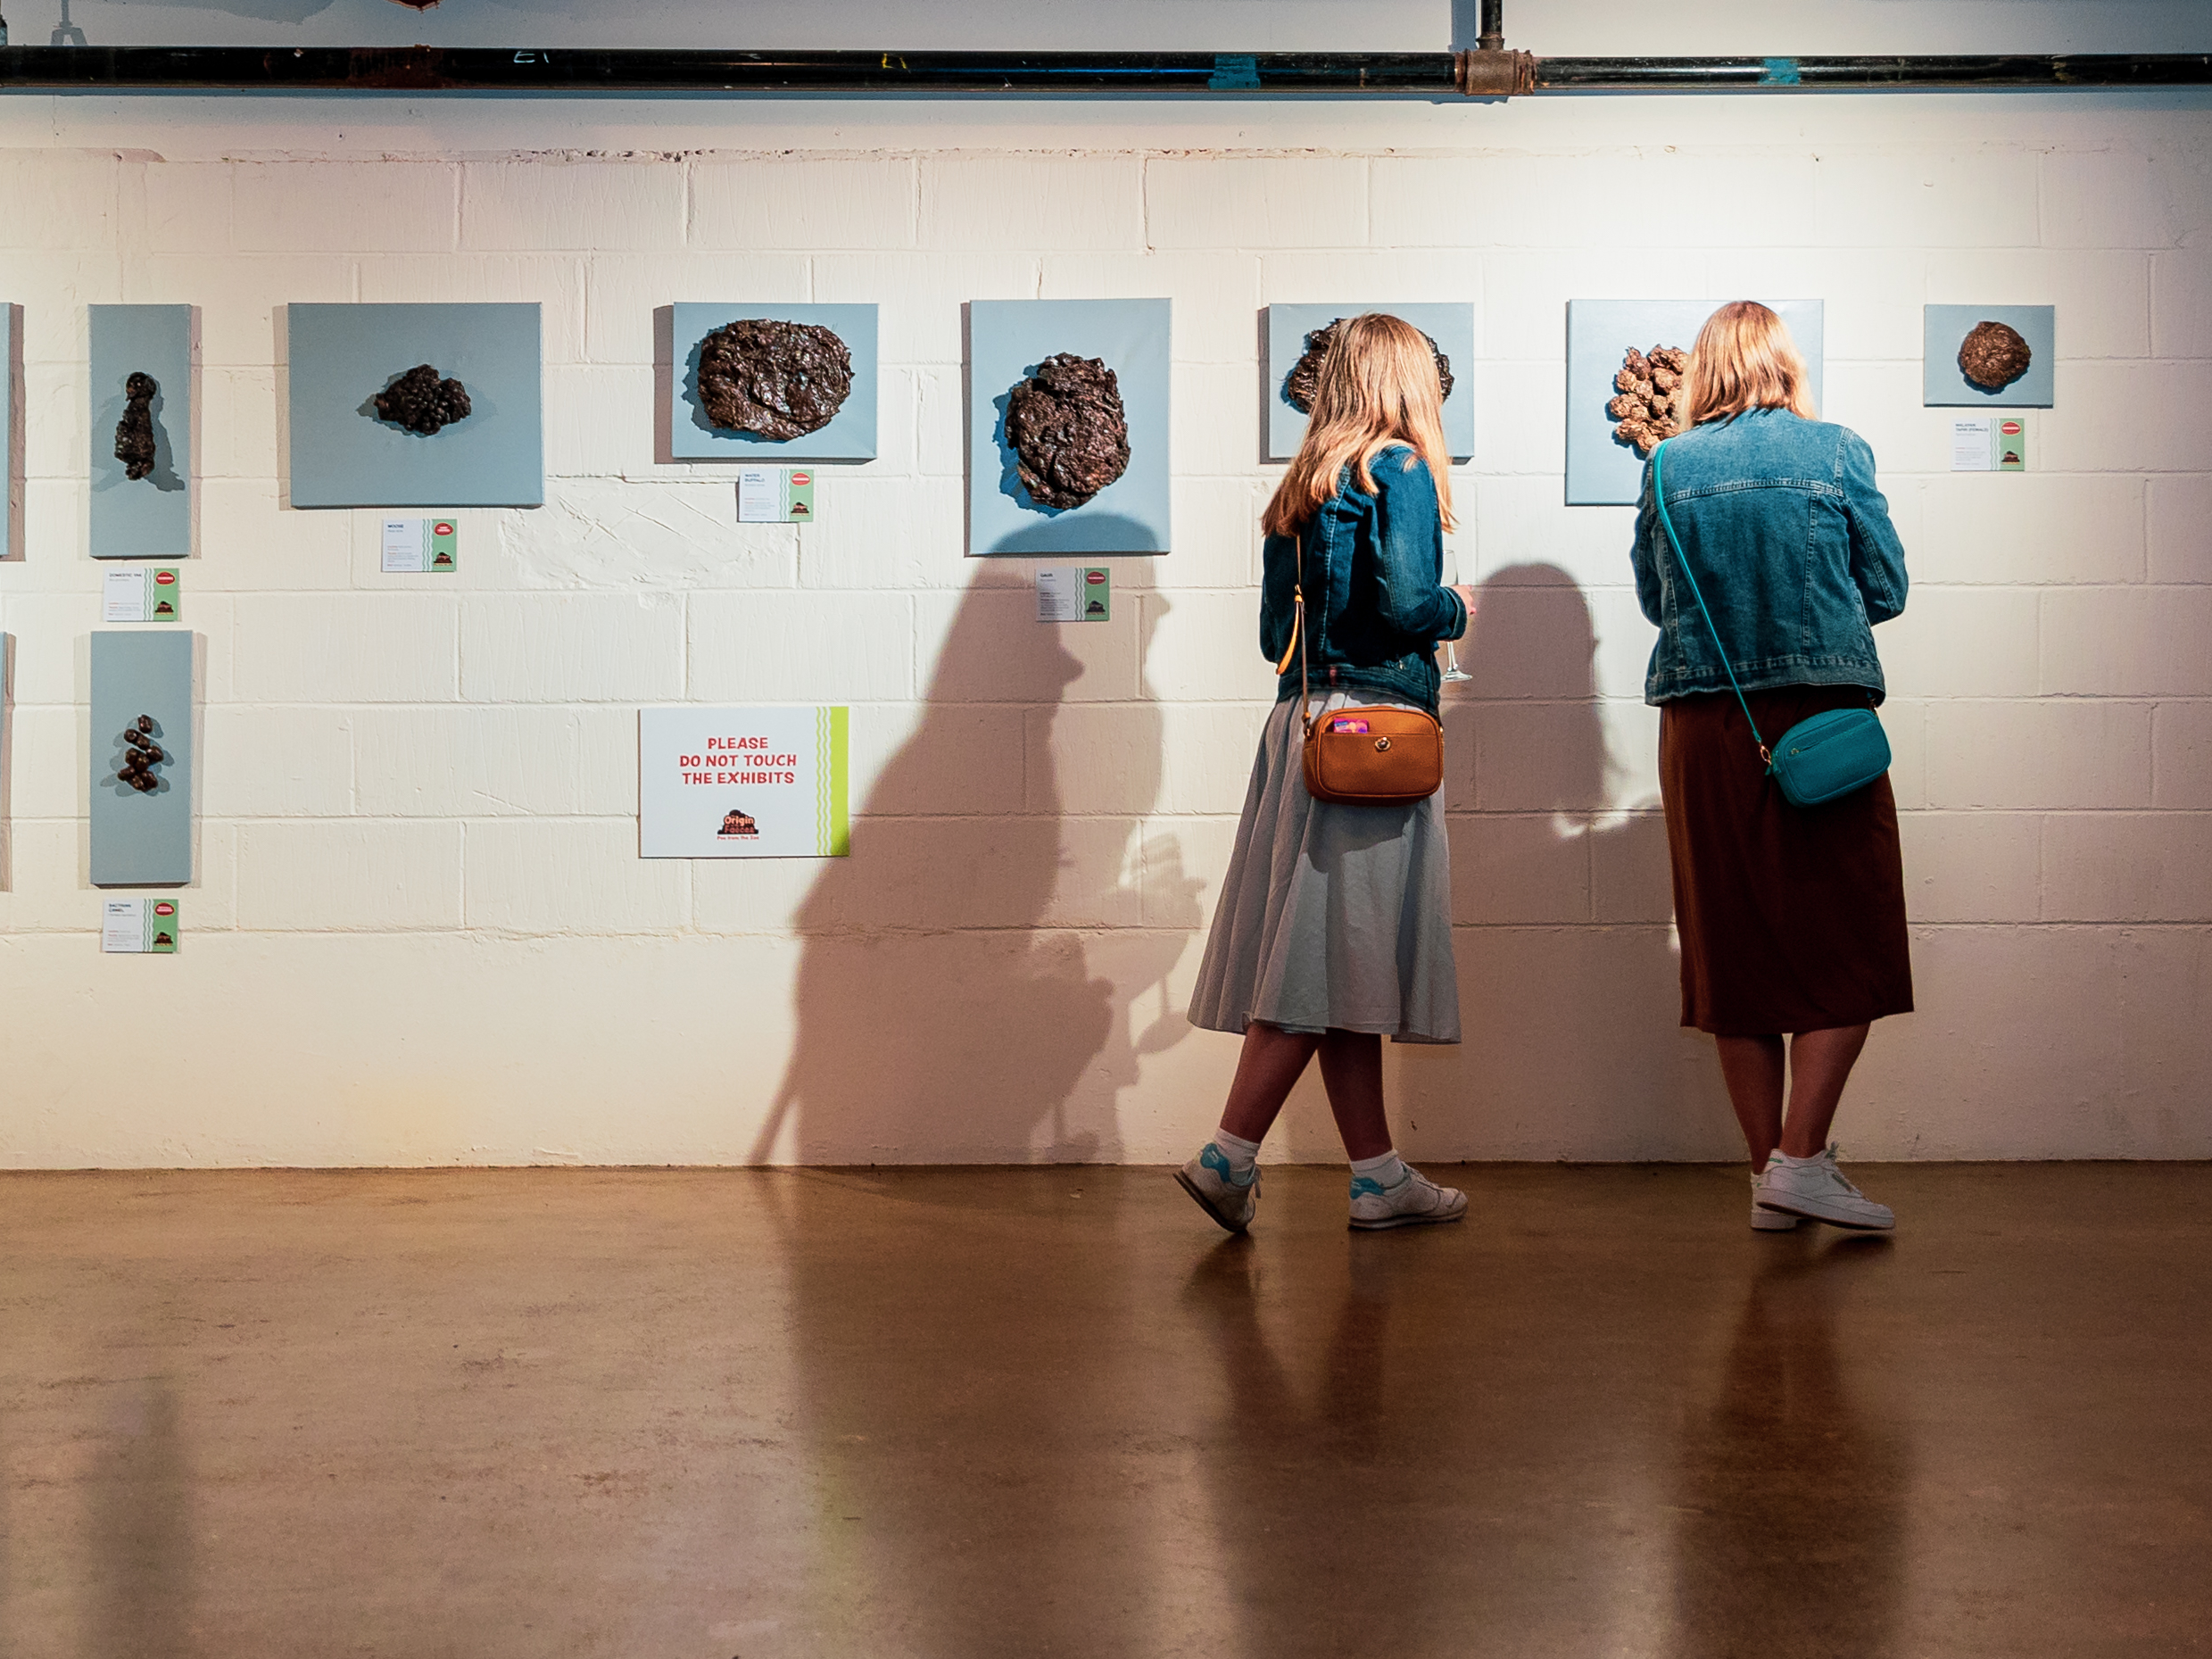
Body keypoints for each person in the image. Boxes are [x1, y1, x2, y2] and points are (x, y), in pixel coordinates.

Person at [1178, 312, 1476, 1235]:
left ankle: (1378, 1174)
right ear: (1404, 381)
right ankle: (1226, 1153)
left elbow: (1276, 637)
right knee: (1318, 958)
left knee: (1340, 957)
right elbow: (1404, 601)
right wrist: (1456, 608)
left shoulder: (1302, 486)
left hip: (1302, 729)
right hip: (1372, 736)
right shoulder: (1400, 469)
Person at [1630, 301, 1912, 1233]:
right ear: (1784, 364)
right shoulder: (1835, 452)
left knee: (1733, 948)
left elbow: (1653, 596)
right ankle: (1798, 1161)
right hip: (1819, 718)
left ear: (1705, 371)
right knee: (1854, 941)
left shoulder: (1668, 463)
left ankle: (1774, 1176)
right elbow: (1886, 588)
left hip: (1704, 727)